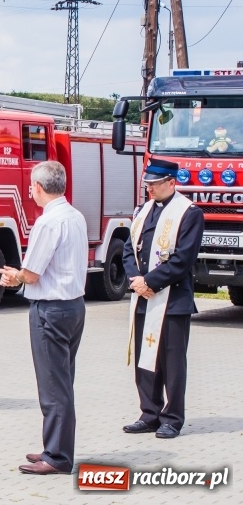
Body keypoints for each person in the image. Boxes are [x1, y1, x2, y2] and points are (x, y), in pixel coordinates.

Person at [0, 161, 88, 476]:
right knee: (62, 381)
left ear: (37, 187)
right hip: (74, 305)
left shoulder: (48, 223)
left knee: (53, 386)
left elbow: (32, 274)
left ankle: (59, 457)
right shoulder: (75, 216)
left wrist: (13, 277)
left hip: (50, 309)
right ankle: (55, 446)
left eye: (30, 187)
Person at [121, 158, 204, 439]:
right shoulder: (142, 211)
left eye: (154, 184)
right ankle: (149, 413)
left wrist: (150, 281)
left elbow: (183, 259)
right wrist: (136, 282)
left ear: (171, 182)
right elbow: (128, 250)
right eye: (147, 185)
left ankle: (172, 418)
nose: (149, 190)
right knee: (146, 359)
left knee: (171, 362)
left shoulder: (189, 213)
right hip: (144, 296)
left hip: (173, 300)